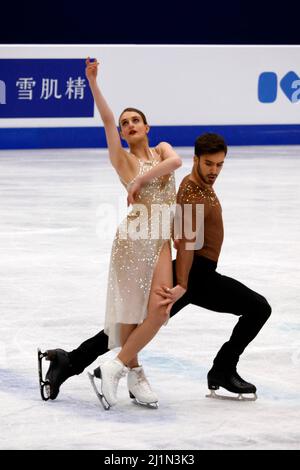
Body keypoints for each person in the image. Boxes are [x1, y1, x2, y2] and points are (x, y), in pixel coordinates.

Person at [40, 133, 271, 402]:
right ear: (195, 159)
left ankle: (69, 361)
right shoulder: (193, 192)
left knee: (132, 324)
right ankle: (222, 369)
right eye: (209, 164)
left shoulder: (199, 186)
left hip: (195, 274)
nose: (214, 171)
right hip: (197, 275)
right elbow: (185, 243)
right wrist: (182, 284)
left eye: (219, 164)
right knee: (258, 308)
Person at [38, 58, 182, 409]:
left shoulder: (162, 149)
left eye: (135, 120)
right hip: (133, 240)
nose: (129, 125)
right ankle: (135, 373)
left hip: (160, 239)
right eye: (124, 123)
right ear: (121, 133)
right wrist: (92, 82)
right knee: (131, 315)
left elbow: (176, 163)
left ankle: (114, 367)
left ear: (147, 126)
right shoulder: (121, 159)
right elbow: (105, 118)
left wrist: (141, 180)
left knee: (160, 310)